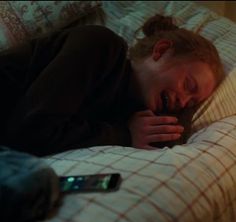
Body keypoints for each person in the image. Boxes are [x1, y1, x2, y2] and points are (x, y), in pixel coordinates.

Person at [1, 14, 224, 156]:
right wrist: (124, 135)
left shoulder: (130, 112)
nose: (183, 101)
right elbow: (28, 131)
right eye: (188, 85)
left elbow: (170, 140)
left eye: (192, 102)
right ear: (162, 50)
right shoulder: (102, 46)